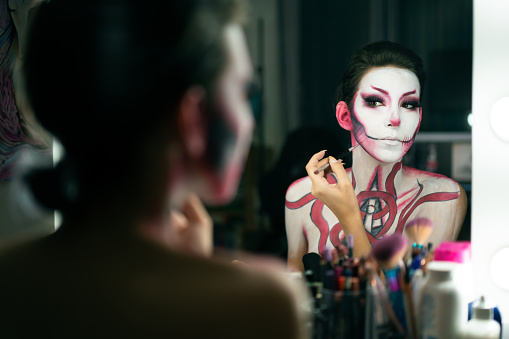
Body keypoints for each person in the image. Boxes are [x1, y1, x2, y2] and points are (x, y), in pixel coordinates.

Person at [0, 0, 309, 337]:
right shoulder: (260, 302)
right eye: (242, 93)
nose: (249, 123)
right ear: (191, 119)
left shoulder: (10, 280)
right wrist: (194, 283)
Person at [285, 41, 467, 272]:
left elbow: (402, 303)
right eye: (375, 101)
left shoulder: (443, 197)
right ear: (344, 115)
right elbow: (294, 292)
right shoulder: (302, 195)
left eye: (409, 104)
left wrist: (349, 214)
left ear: (419, 119)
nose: (395, 119)